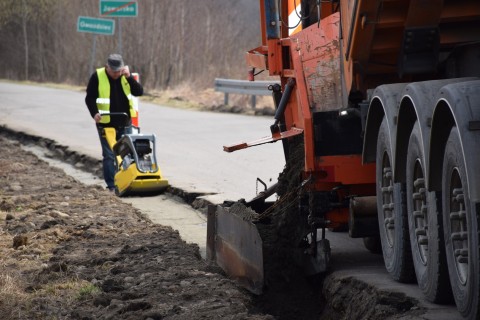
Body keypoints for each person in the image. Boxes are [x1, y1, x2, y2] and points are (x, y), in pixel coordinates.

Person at [85, 53, 143, 192]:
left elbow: (138, 92)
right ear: (107, 67)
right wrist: (95, 113)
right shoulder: (97, 76)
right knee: (109, 155)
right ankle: (111, 186)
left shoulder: (126, 76)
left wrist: (128, 77)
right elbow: (90, 98)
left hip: (125, 122)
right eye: (113, 71)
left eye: (119, 71)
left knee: (128, 154)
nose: (116, 74)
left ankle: (129, 182)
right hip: (106, 123)